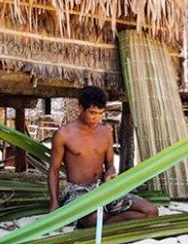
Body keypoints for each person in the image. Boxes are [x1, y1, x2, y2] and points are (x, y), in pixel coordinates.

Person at [48, 85, 158, 228]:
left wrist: (110, 173)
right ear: (81, 107)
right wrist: (54, 203)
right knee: (93, 218)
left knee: (151, 211)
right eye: (92, 113)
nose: (97, 118)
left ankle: (104, 222)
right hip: (78, 190)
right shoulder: (64, 134)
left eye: (101, 113)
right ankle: (109, 222)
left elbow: (110, 164)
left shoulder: (106, 132)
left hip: (103, 188)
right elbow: (54, 170)